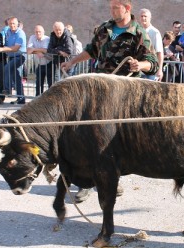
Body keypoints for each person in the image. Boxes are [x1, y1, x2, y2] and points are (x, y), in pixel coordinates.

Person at [60, 0, 158, 202]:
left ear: (127, 8)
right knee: (88, 135)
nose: (112, 11)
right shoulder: (105, 28)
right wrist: (72, 62)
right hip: (99, 91)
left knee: (114, 141)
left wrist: (139, 64)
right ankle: (85, 183)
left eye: (116, 7)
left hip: (123, 96)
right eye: (111, 7)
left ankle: (112, 177)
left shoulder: (138, 32)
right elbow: (91, 50)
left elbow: (153, 63)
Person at [0, 16, 26, 104]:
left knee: (7, 68)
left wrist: (2, 49)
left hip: (19, 56)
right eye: (10, 24)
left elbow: (16, 48)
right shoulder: (8, 31)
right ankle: (21, 98)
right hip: (11, 57)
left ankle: (7, 89)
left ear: (17, 24)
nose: (12, 25)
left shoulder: (20, 33)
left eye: (13, 24)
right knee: (16, 78)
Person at [27, 24, 52, 96]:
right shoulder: (32, 37)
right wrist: (38, 51)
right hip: (39, 64)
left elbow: (45, 50)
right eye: (36, 32)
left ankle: (50, 99)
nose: (38, 33)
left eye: (39, 32)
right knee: (38, 83)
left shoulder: (46, 39)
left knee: (50, 83)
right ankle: (38, 98)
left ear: (43, 32)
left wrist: (34, 49)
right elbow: (28, 51)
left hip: (49, 63)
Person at [139, 8, 163, 80]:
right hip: (139, 69)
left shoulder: (155, 32)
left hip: (151, 69)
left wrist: (160, 69)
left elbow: (159, 52)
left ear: (150, 18)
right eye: (142, 16)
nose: (143, 18)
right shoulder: (137, 31)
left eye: (145, 16)